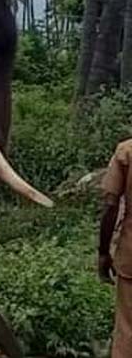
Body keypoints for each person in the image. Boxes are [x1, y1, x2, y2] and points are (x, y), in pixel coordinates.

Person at [100, 139, 132, 358]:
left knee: (127, 329)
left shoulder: (126, 151)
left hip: (131, 256)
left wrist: (103, 251)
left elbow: (110, 204)